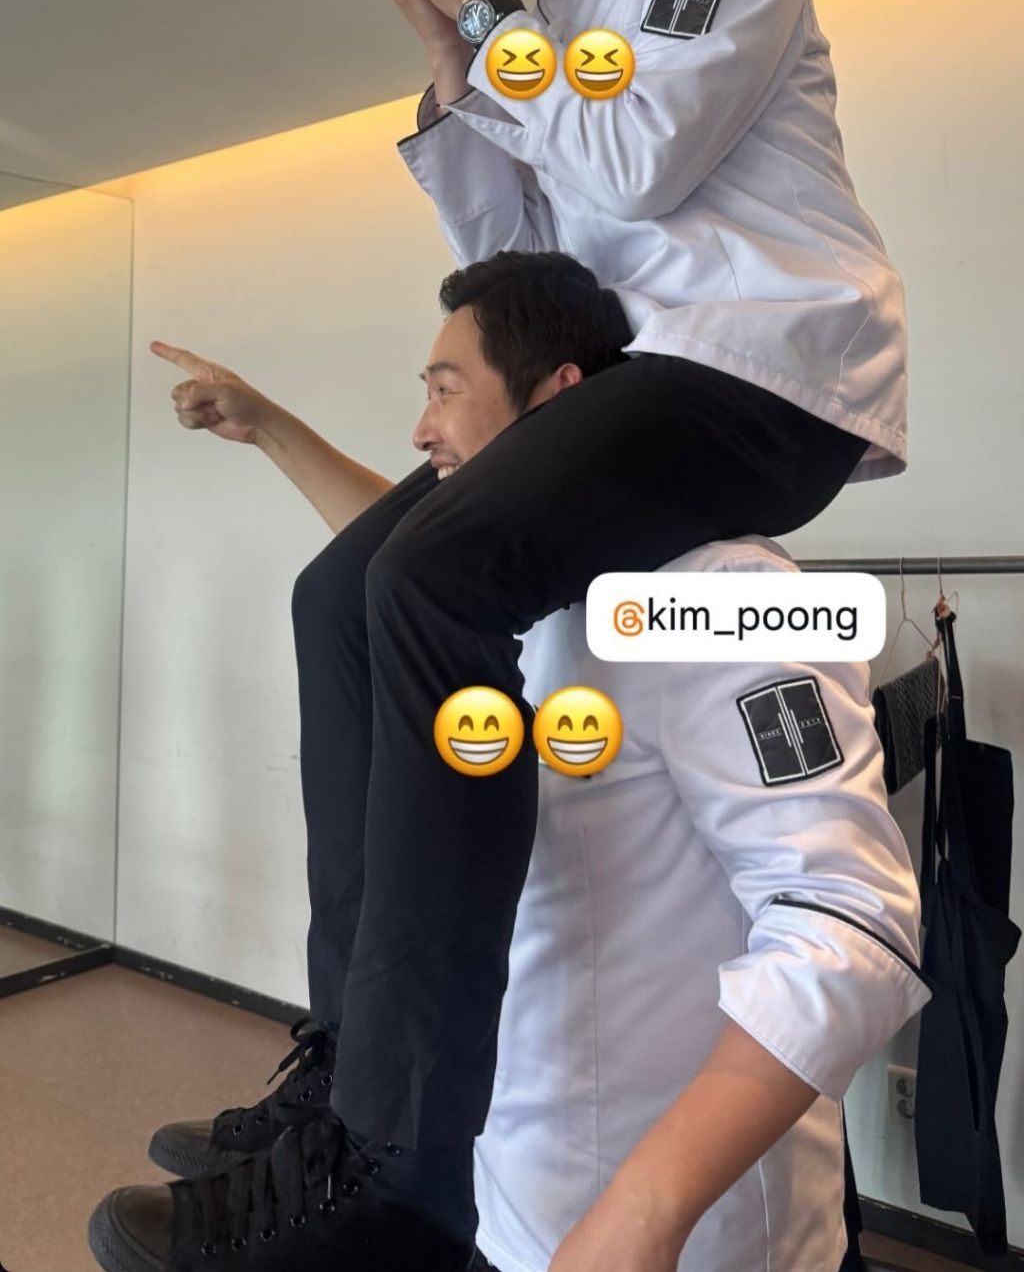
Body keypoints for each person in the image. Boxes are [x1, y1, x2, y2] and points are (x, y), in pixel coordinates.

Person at [88, 252, 930, 1272]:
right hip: (512, 1193)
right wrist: (269, 427)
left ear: (560, 403)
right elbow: (387, 567)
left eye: (446, 390)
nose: (420, 428)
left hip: (679, 1238)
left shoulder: (721, 596)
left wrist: (647, 1212)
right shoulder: (499, 593)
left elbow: (849, 922)